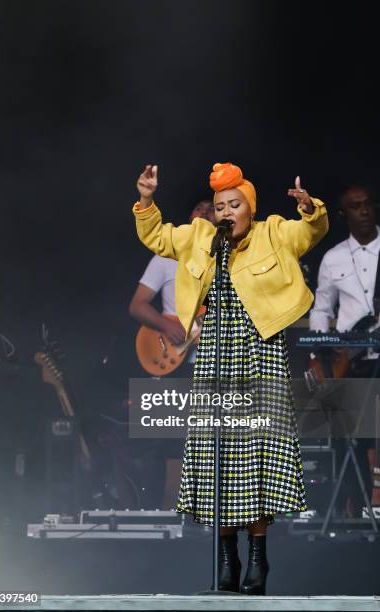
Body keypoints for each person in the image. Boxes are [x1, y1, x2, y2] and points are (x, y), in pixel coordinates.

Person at [133, 162, 328, 594]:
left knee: (257, 458)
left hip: (261, 354)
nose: (226, 212)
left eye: (234, 204)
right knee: (216, 457)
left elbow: (309, 232)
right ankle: (227, 558)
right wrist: (146, 200)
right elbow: (158, 235)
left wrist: (310, 208)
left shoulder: (274, 232)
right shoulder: (202, 238)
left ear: (249, 209)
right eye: (220, 205)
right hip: (215, 359)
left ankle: (258, 558)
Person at [309, 184, 379, 517]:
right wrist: (321, 352)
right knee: (353, 442)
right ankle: (357, 515)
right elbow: (321, 309)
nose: (364, 211)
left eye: (368, 205)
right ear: (344, 214)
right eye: (356, 206)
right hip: (352, 362)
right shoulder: (334, 257)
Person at [129, 200, 215, 375]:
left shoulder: (232, 260)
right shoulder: (167, 257)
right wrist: (166, 326)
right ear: (191, 217)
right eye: (199, 208)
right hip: (177, 363)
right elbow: (137, 306)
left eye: (212, 209)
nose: (205, 212)